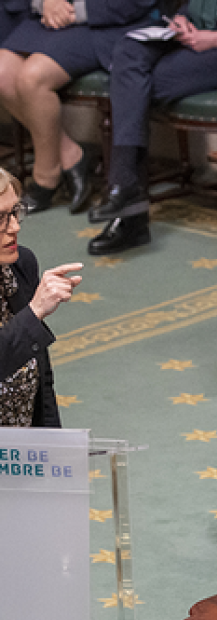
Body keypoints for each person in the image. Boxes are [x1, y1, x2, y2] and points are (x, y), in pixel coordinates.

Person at [86, 0, 217, 254]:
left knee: (136, 89)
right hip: (194, 38)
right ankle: (124, 189)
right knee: (128, 52)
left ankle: (129, 208)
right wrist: (181, 19)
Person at [0, 0, 157, 215]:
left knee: (32, 78)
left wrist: (73, 11)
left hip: (109, 23)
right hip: (52, 18)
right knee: (2, 72)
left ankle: (45, 178)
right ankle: (70, 155)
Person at [0, 166, 82, 427]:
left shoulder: (21, 264)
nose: (14, 227)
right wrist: (33, 313)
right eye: (0, 218)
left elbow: (40, 375)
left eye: (15, 213)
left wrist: (52, 449)